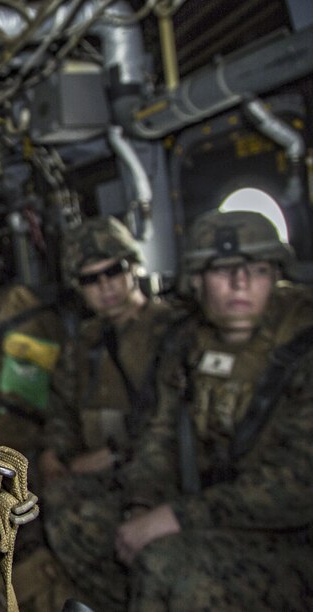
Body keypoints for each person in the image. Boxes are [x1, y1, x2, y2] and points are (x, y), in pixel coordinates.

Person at [44, 210, 313, 610]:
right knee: (71, 520)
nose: (239, 283)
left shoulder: (301, 348)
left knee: (165, 566)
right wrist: (140, 505)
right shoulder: (187, 344)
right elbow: (160, 436)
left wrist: (177, 516)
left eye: (255, 270)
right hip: (212, 503)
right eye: (223, 272)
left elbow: (298, 486)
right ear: (198, 281)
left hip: (289, 530)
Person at [39, 216, 181, 484]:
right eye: (91, 279)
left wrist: (117, 454)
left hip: (154, 467)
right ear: (78, 287)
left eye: (114, 271)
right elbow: (62, 410)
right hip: (96, 471)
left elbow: (176, 419)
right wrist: (53, 454)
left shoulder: (172, 330)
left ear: (134, 267)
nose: (105, 286)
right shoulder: (81, 342)